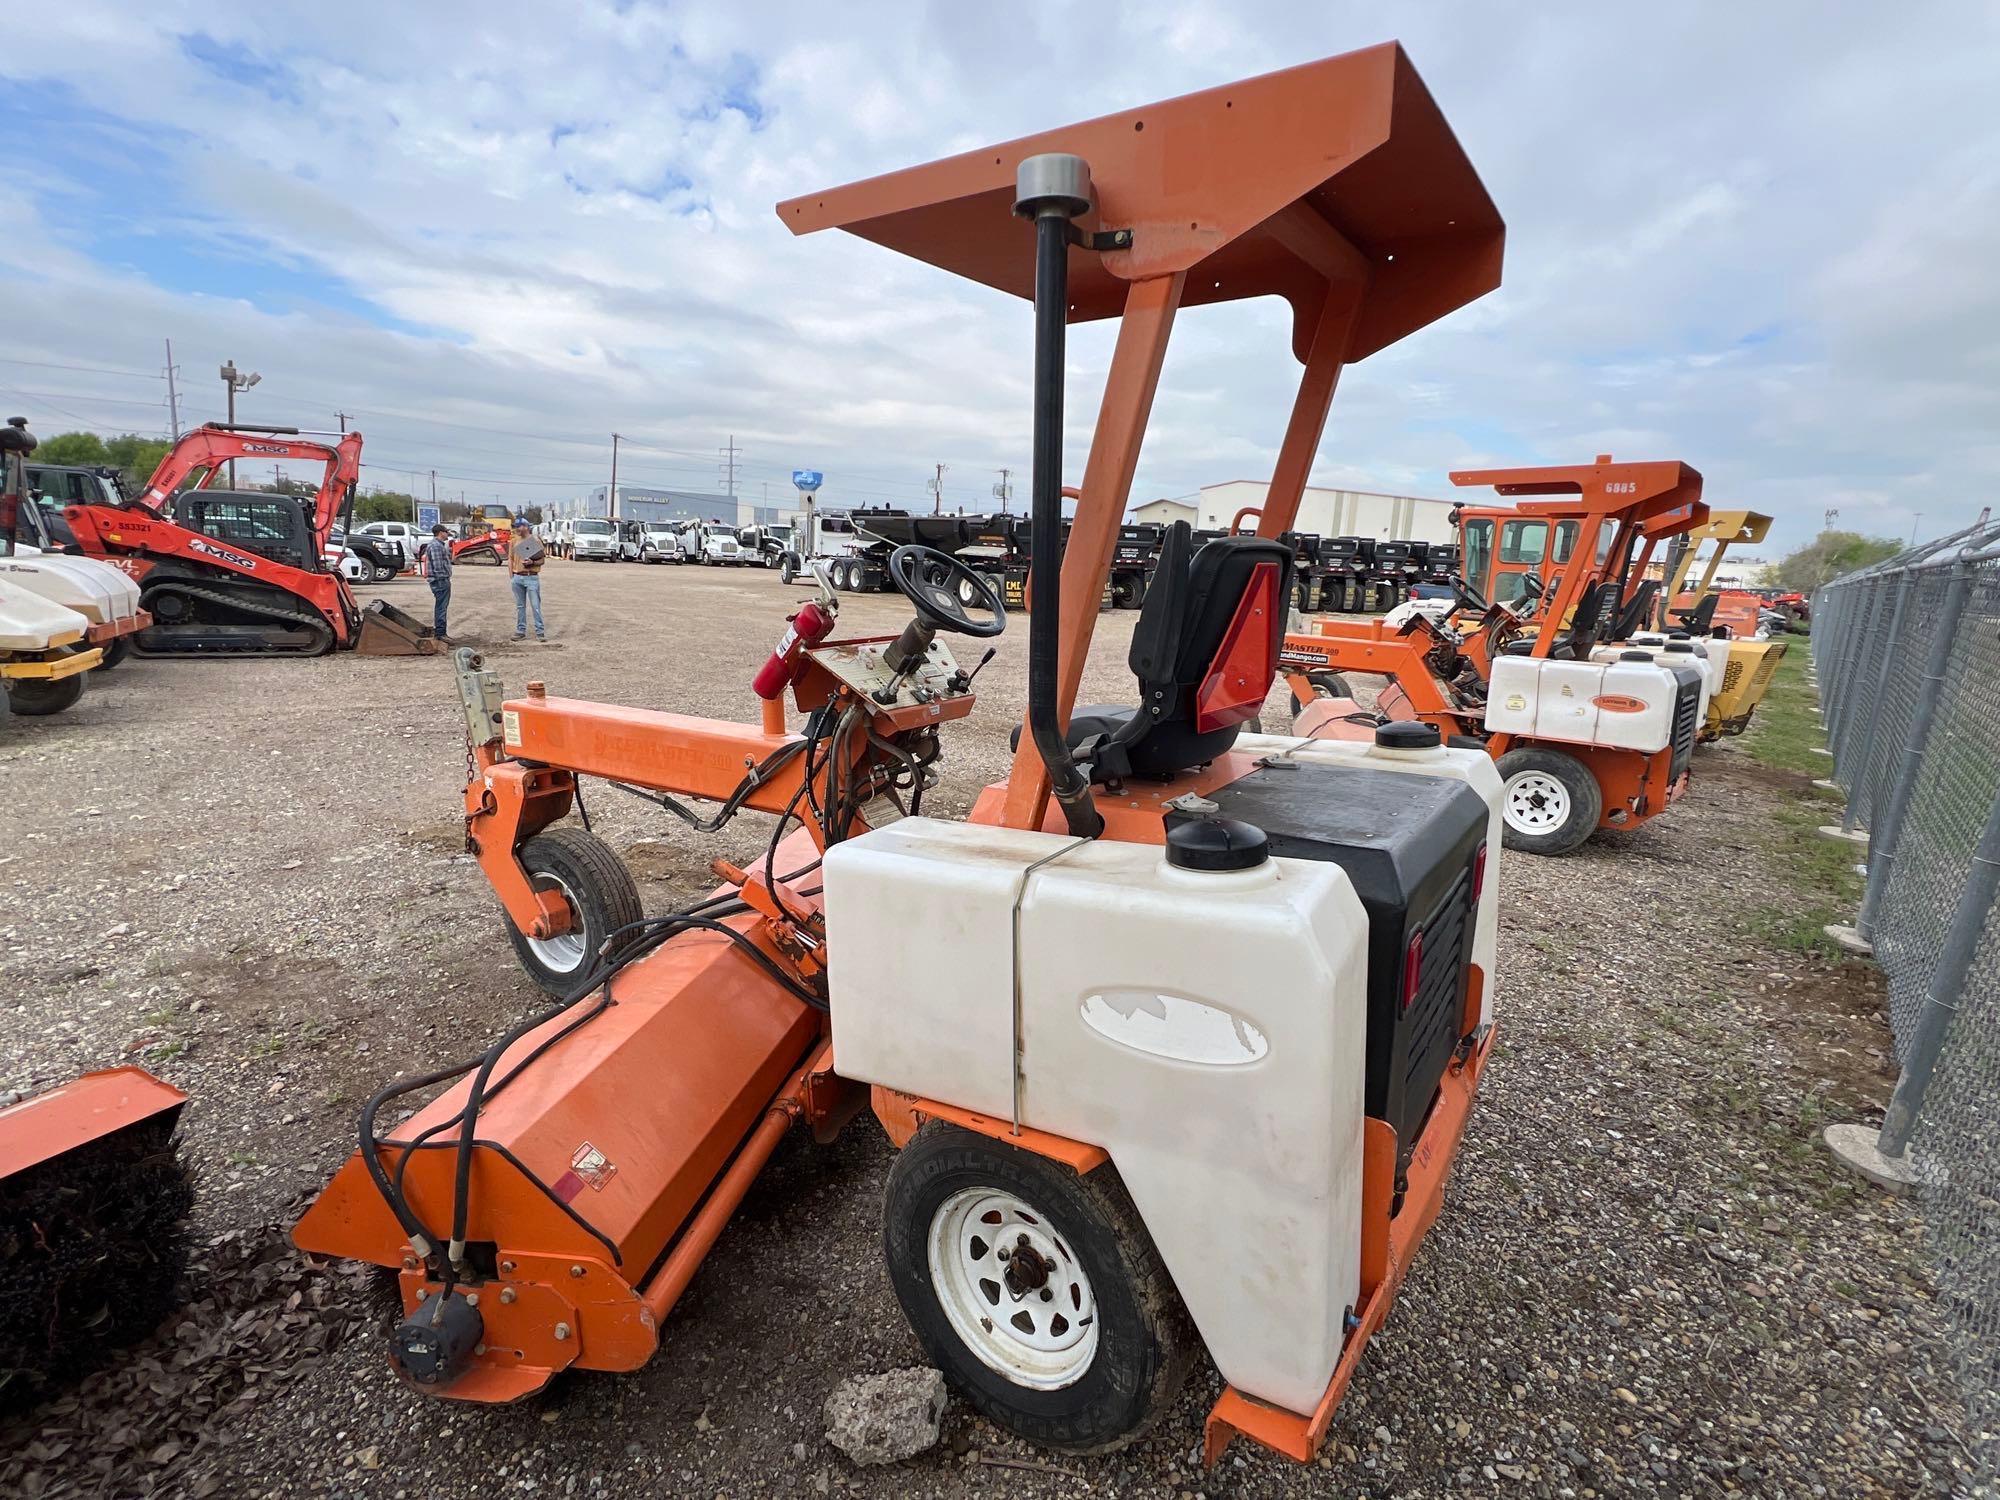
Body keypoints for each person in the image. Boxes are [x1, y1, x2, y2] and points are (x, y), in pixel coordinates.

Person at [509, 519, 546, 641]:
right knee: (520, 606)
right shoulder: (513, 541)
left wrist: (533, 562)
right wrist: (512, 576)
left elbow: (542, 560)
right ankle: (520, 631)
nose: (516, 530)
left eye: (518, 527)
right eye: (515, 527)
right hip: (517, 577)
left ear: (525, 527)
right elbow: (510, 559)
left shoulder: (535, 541)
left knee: (535, 605)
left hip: (531, 576)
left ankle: (540, 632)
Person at [420, 524, 453, 644]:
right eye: (446, 532)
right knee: (441, 607)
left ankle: (441, 632)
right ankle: (440, 633)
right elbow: (438, 565)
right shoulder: (436, 546)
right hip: (440, 581)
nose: (447, 534)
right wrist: (442, 579)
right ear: (440, 533)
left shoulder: (438, 545)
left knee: (441, 606)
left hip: (440, 580)